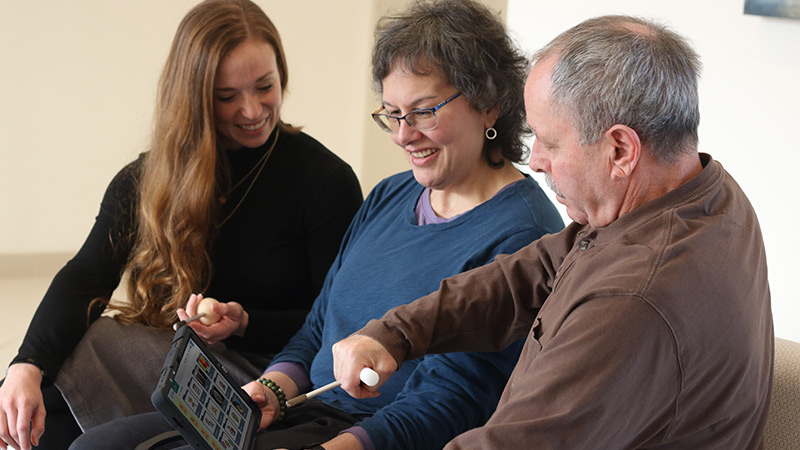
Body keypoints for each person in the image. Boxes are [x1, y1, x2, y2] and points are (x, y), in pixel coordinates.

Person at [67, 1, 564, 449]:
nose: (402, 135)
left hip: (367, 434)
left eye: (422, 113)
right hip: (304, 413)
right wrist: (272, 390)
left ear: (488, 102)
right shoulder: (391, 195)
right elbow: (318, 327)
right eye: (392, 114)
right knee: (96, 444)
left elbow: (451, 400)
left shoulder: (521, 234)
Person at [332, 14, 774, 450]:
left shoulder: (632, 299)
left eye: (549, 141)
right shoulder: (700, 192)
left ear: (620, 150)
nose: (536, 160)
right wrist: (397, 332)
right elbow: (531, 272)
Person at [0, 1, 364, 449]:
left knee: (83, 369)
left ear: (281, 74)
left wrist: (245, 323)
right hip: (188, 361)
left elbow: (332, 323)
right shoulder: (149, 177)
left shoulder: (325, 180)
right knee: (48, 379)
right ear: (193, 96)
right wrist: (25, 366)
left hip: (273, 376)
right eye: (227, 96)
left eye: (265, 86)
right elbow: (86, 276)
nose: (252, 110)